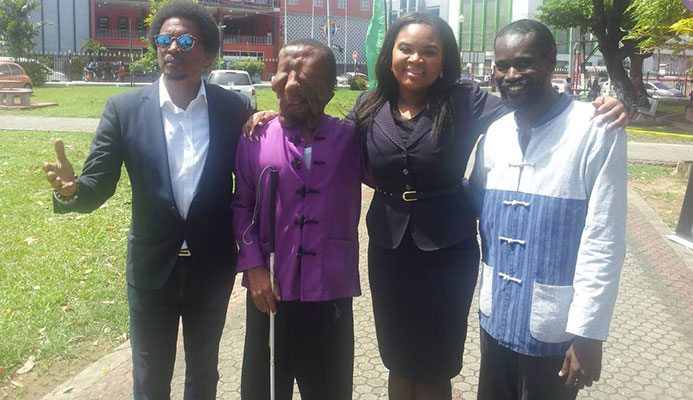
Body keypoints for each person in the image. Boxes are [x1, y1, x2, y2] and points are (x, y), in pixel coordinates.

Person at [243, 13, 626, 400]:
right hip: (389, 251)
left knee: (434, 363)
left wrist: (591, 108)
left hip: (447, 249)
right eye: (406, 49)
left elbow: (528, 99)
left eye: (429, 51)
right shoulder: (369, 104)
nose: (416, 59)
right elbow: (326, 133)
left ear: (444, 60)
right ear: (389, 54)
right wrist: (277, 118)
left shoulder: (467, 100)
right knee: (397, 358)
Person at [41, 1, 252, 398]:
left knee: (204, 375)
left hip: (212, 266)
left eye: (186, 40)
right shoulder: (124, 109)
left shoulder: (232, 108)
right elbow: (97, 184)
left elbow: (249, 178)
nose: (173, 47)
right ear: (155, 47)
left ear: (206, 52)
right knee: (150, 378)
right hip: (152, 268)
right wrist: (72, 191)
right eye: (164, 39)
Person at [469, 19, 626, 400]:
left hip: (555, 330)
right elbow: (476, 208)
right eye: (502, 65)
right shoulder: (496, 133)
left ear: (550, 62)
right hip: (497, 319)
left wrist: (589, 332)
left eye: (523, 63)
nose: (510, 74)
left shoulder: (595, 129)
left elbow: (604, 238)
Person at [232, 39, 363, 400]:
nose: (291, 87)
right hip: (269, 289)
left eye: (304, 81)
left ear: (329, 90)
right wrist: (253, 268)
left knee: (330, 390)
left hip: (330, 291)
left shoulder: (350, 139)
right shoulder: (255, 137)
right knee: (264, 390)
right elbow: (242, 206)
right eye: (284, 76)